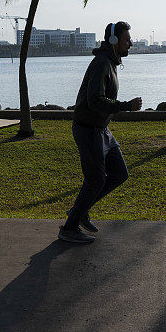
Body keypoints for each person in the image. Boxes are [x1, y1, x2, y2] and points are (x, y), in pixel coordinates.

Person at [58, 21, 142, 244]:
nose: (130, 44)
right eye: (127, 39)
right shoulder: (101, 63)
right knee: (95, 179)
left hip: (102, 130)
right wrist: (125, 106)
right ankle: (69, 227)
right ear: (114, 40)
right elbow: (94, 100)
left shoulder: (111, 63)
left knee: (119, 173)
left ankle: (81, 210)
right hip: (88, 129)